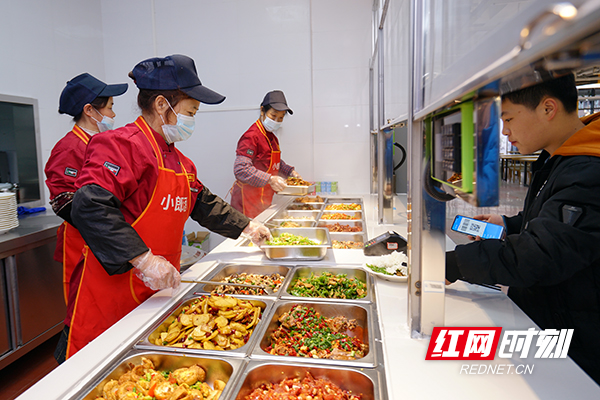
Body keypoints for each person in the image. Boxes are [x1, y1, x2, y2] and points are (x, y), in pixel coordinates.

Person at [55, 54, 270, 362]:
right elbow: (91, 206)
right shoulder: (121, 145)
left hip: (156, 291)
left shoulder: (180, 161)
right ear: (161, 106)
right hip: (113, 292)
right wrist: (143, 259)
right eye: (190, 111)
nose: (193, 119)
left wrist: (247, 226)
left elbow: (201, 201)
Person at [445, 73, 600, 384]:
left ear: (548, 108)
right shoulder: (559, 158)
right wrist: (511, 224)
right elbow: (559, 224)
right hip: (550, 318)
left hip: (579, 345)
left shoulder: (589, 169)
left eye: (509, 118)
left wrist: (456, 263)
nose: (506, 131)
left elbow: (538, 257)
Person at [45, 73, 128, 304]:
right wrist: (105, 229)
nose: (113, 114)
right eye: (110, 107)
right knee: (83, 308)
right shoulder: (69, 148)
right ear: (90, 111)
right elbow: (63, 200)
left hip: (105, 239)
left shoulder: (103, 143)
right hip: (81, 242)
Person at [231, 90, 302, 218]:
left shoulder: (272, 137)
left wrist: (290, 172)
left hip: (263, 200)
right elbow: (240, 169)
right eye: (273, 116)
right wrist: (270, 179)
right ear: (262, 111)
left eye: (280, 118)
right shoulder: (251, 136)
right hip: (246, 202)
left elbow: (274, 162)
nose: (276, 121)